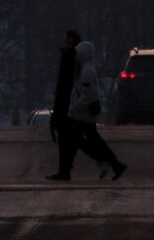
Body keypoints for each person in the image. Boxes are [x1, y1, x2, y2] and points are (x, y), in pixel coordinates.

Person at [46, 31, 112, 182]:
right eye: (66, 42)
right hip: (67, 106)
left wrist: (72, 106)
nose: (66, 45)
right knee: (71, 141)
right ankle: (65, 170)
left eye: (69, 43)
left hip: (71, 108)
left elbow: (73, 87)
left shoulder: (74, 61)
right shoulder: (71, 59)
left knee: (74, 140)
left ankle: (98, 161)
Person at [67, 41, 127, 181]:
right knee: (92, 140)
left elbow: (89, 94)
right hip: (85, 113)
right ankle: (115, 164)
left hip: (82, 114)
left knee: (77, 140)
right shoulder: (86, 69)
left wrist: (76, 106)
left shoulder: (86, 71)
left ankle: (103, 162)